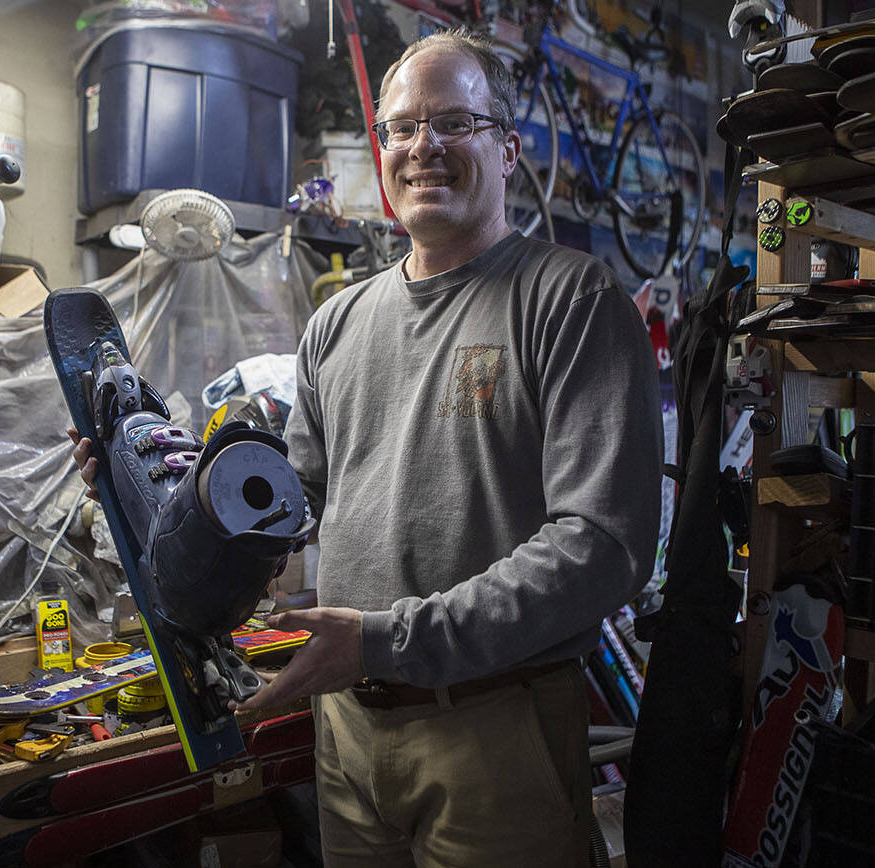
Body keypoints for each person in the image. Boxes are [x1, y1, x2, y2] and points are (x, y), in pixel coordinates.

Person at [71, 27, 661, 868]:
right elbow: (287, 505)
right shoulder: (338, 324)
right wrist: (157, 492)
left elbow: (602, 548)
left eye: (454, 122)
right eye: (402, 128)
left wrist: (386, 640)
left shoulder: (569, 301)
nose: (425, 147)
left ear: (506, 149)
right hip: (347, 731)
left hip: (493, 730)